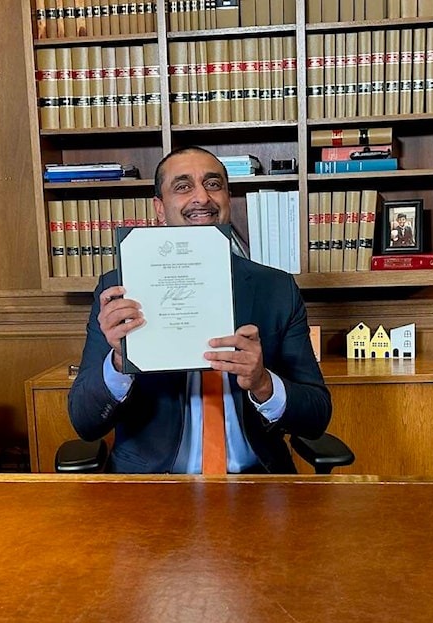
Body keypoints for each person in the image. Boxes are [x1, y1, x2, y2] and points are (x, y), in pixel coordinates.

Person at [67, 146, 332, 473]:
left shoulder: (276, 288)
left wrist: (263, 383)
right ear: (160, 209)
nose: (202, 197)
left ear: (228, 199)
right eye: (183, 186)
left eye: (213, 184)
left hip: (256, 482)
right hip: (155, 486)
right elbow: (85, 423)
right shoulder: (119, 289)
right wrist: (120, 362)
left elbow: (316, 418)